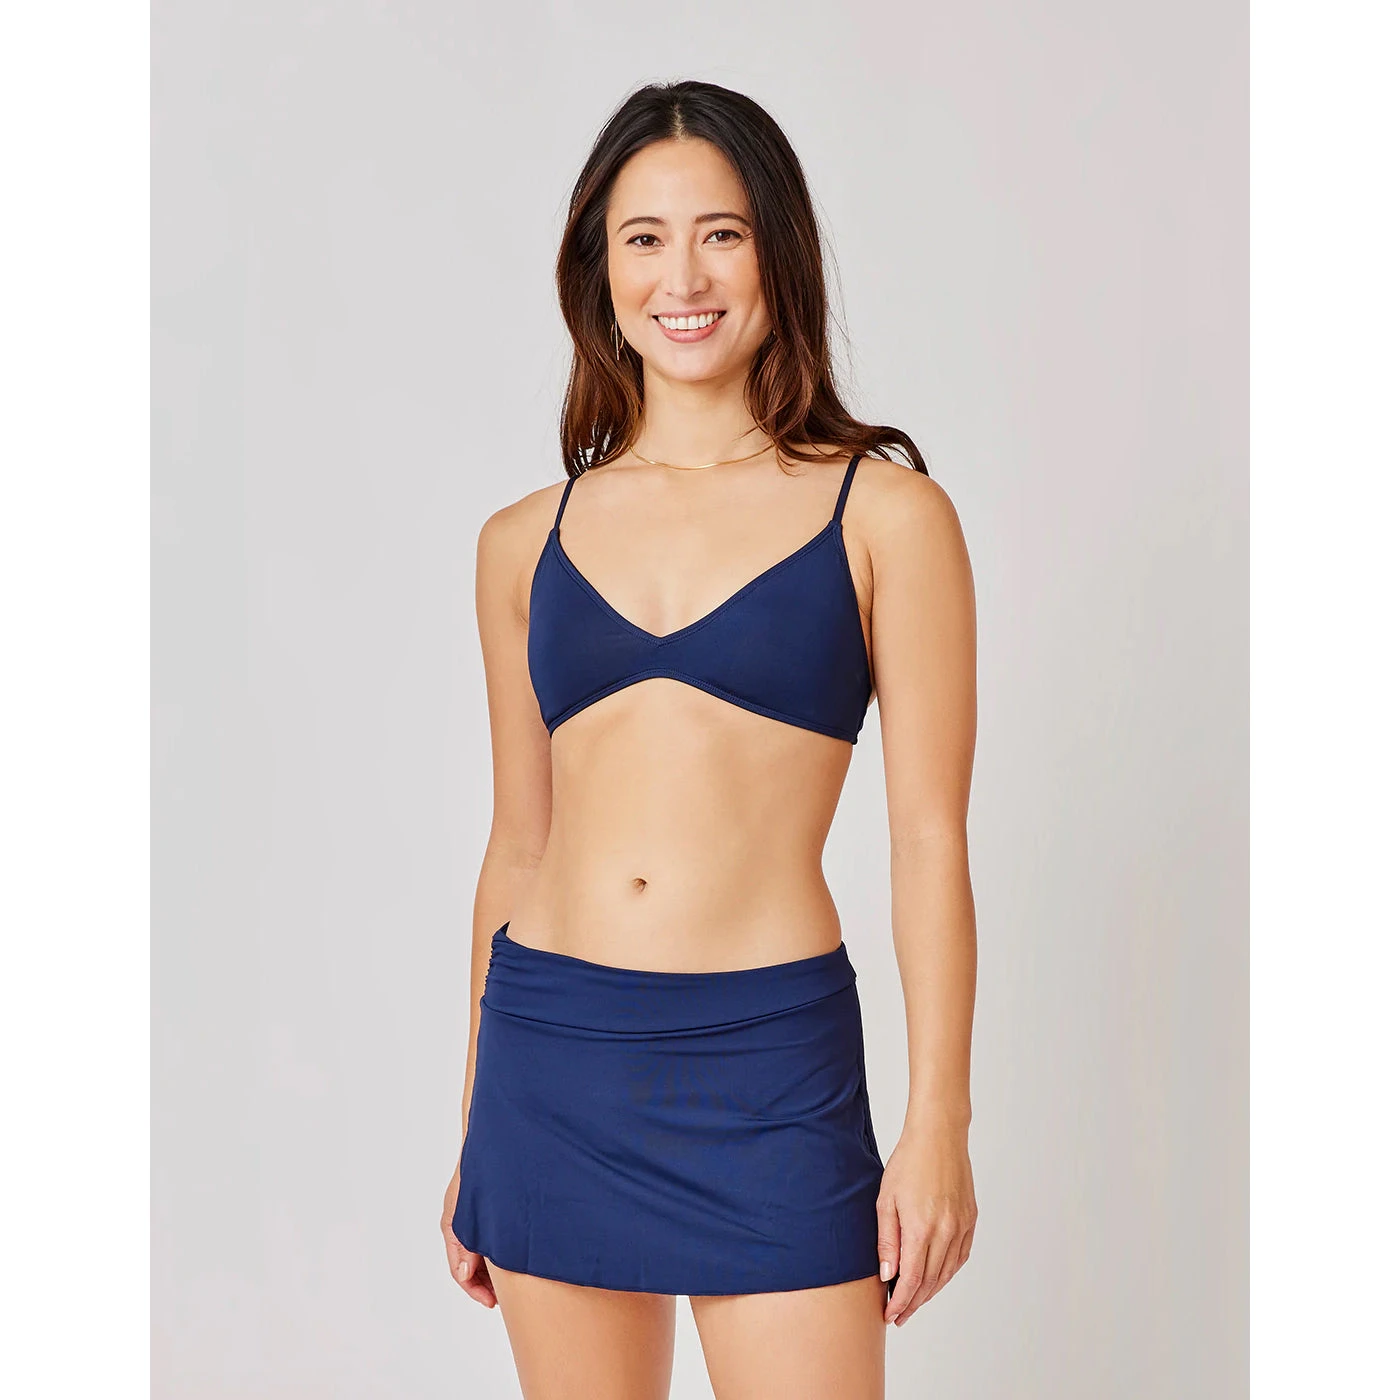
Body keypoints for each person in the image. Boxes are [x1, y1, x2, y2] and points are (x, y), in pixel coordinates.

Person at [441, 79, 978, 1399]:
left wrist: (938, 1123)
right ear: (600, 270)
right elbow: (519, 843)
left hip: (769, 1064)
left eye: (721, 234)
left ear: (777, 252)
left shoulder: (885, 517)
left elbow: (928, 838)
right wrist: (472, 1121)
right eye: (645, 239)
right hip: (551, 1063)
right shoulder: (522, 542)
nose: (681, 277)